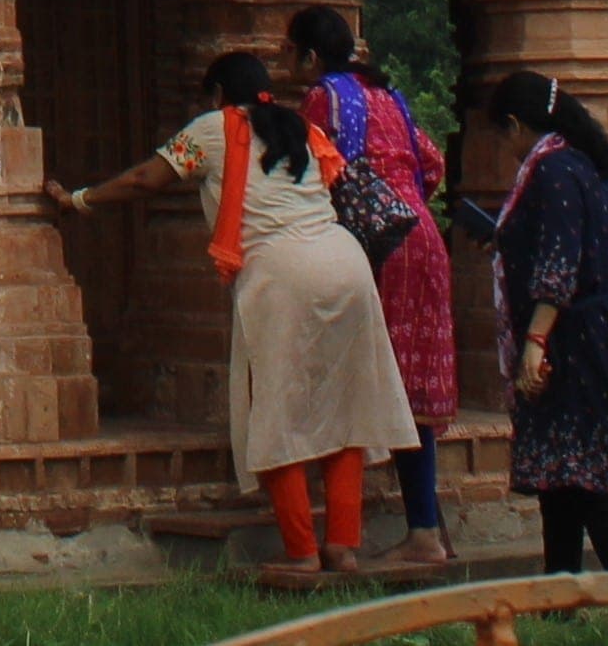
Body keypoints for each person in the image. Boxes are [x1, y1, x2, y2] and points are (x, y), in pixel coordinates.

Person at [48, 49, 422, 589]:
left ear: (219, 94)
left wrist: (80, 199)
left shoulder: (213, 128)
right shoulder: (301, 127)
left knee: (270, 410)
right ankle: (342, 548)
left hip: (280, 273)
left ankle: (301, 553)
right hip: (346, 265)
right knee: (347, 409)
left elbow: (144, 179)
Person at [282, 5, 457, 574]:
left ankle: (414, 531)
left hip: (375, 245)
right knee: (413, 382)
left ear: (310, 57)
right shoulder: (389, 95)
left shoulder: (323, 99)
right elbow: (431, 163)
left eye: (292, 55)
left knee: (373, 380)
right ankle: (426, 524)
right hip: (421, 235)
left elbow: (307, 172)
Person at [479, 69, 608, 573]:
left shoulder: (553, 170)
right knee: (561, 484)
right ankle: (558, 598)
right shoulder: (584, 166)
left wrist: (534, 342)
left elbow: (560, 263)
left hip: (577, 340)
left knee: (586, 484)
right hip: (597, 332)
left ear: (515, 125)